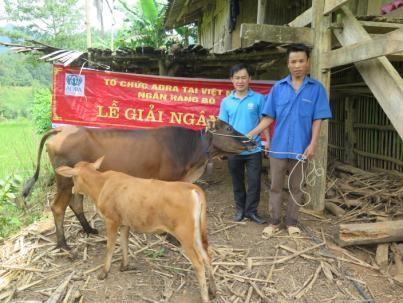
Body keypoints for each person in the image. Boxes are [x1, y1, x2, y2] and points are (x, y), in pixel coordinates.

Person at [247, 43, 332, 236]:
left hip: (301, 148)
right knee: (276, 186)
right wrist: (252, 133)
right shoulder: (278, 88)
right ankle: (274, 222)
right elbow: (269, 117)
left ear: (308, 62)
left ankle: (292, 222)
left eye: (301, 61)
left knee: (296, 187)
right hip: (278, 147)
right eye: (293, 61)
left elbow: (318, 119)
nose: (297, 65)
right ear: (288, 64)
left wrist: (313, 144)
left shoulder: (316, 89)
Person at [219, 63, 268, 224]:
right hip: (234, 150)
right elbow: (222, 127)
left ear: (250, 79)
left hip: (254, 149)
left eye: (243, 77)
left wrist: (268, 141)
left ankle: (251, 211)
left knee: (254, 182)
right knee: (237, 181)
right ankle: (240, 210)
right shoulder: (226, 101)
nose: (240, 81)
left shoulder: (259, 99)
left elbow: (264, 121)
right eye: (237, 78)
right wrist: (222, 148)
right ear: (231, 80)